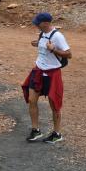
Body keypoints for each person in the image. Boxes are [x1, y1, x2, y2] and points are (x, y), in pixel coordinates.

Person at [22, 13, 72, 143]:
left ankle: (57, 133)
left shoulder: (58, 36)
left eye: (37, 23)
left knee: (54, 104)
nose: (35, 25)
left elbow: (69, 54)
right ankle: (35, 130)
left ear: (45, 23)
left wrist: (54, 49)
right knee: (32, 99)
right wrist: (38, 43)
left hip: (52, 73)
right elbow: (43, 44)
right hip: (38, 70)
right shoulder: (42, 33)